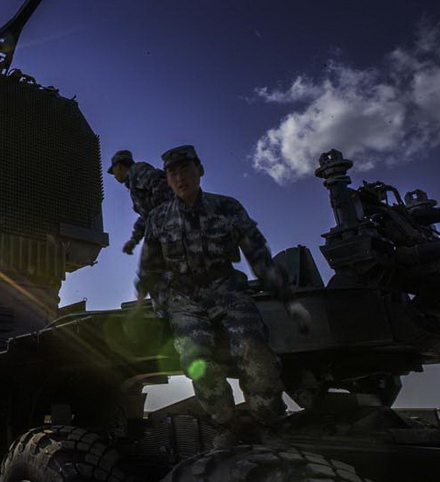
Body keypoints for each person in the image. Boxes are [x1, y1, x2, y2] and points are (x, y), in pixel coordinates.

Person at [136, 144, 312, 449]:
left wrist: (290, 301)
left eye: (186, 170)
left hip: (226, 288)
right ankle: (226, 425)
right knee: (195, 360)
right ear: (167, 180)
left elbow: (259, 257)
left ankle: (266, 422)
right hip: (185, 298)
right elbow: (150, 269)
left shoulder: (227, 208)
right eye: (172, 173)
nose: (180, 179)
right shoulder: (158, 219)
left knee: (256, 353)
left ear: (199, 171)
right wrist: (154, 308)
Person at [107, 150, 173, 255]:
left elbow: (162, 186)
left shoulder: (138, 172)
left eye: (113, 170)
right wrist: (134, 240)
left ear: (118, 166)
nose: (114, 175)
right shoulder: (133, 183)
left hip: (174, 228)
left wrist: (160, 218)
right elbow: (146, 216)